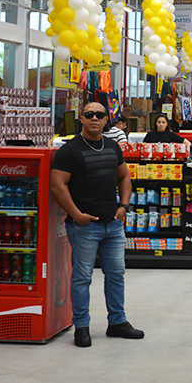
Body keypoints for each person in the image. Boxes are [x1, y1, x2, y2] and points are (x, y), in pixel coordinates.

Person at [50, 102, 144, 347]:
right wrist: (77, 215)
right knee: (82, 278)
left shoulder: (112, 146)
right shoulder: (69, 150)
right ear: (82, 118)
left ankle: (117, 322)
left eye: (99, 115)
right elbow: (57, 186)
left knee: (116, 275)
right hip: (84, 227)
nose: (94, 118)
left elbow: (124, 177)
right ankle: (81, 326)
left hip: (112, 225)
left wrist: (123, 206)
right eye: (89, 114)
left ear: (106, 120)